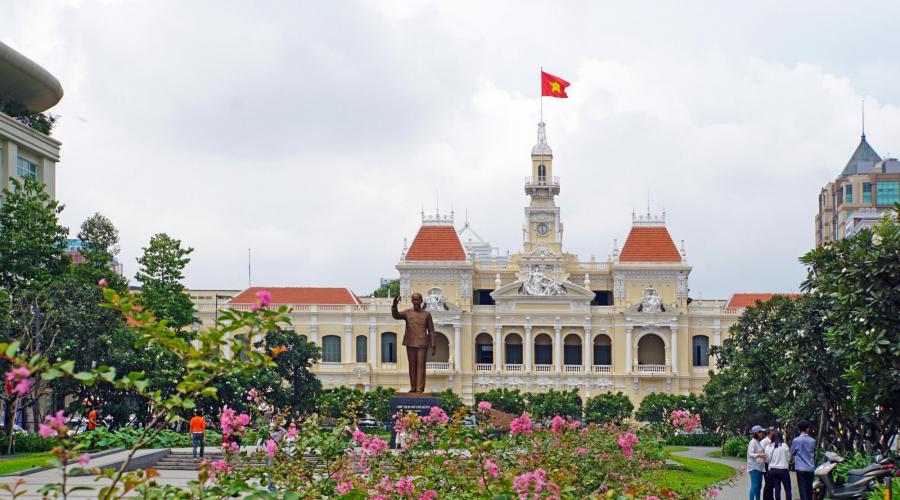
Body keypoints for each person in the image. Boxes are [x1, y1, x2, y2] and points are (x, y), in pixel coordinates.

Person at [791, 421, 816, 500]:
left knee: (802, 489)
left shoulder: (796, 440)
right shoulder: (813, 441)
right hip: (810, 468)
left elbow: (792, 452)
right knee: (809, 489)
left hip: (800, 468)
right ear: (807, 429)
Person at [765, 431, 792, 500]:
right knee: (788, 490)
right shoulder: (784, 445)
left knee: (777, 489)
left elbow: (767, 460)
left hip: (773, 471)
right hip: (783, 471)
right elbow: (789, 458)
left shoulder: (768, 446)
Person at [747, 425, 768, 500]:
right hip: (754, 467)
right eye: (760, 432)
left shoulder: (758, 442)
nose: (762, 433)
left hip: (760, 467)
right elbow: (750, 454)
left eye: (762, 432)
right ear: (756, 433)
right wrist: (759, 455)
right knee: (755, 486)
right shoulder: (753, 442)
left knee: (759, 487)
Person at [761, 429, 774, 500]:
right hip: (765, 464)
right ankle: (767, 498)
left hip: (770, 464)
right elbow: (762, 452)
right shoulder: (764, 442)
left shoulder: (771, 441)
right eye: (772, 433)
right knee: (768, 482)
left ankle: (769, 497)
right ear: (769, 433)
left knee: (770, 482)